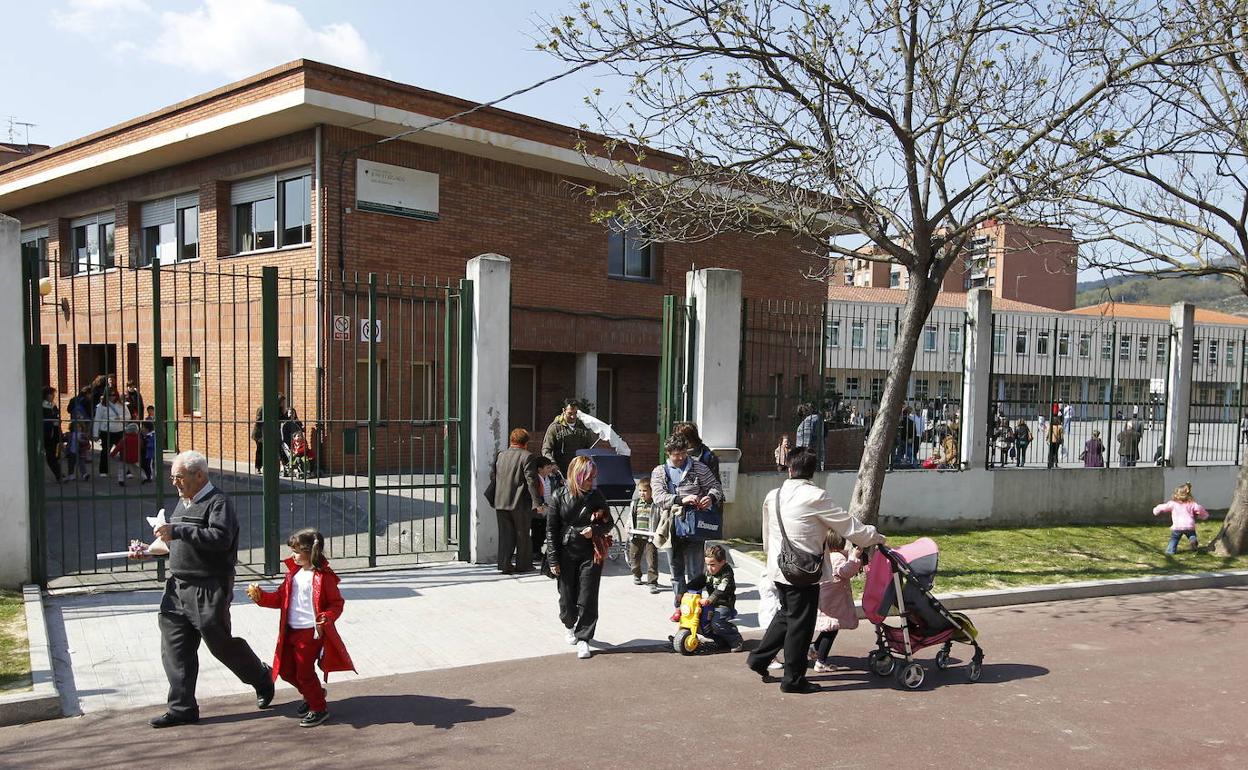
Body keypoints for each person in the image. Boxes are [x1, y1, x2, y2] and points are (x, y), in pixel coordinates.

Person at [141, 450, 274, 728]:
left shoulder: (218, 503)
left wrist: (178, 531)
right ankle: (181, 708)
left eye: (179, 477)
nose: (174, 483)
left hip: (208, 586)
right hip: (177, 587)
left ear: (199, 475)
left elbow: (220, 539)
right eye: (173, 477)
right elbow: (177, 543)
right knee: (175, 648)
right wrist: (149, 550)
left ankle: (261, 677)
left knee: (220, 645)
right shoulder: (183, 503)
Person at [747, 448, 885, 694]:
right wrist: (875, 537)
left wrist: (771, 561)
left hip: (779, 567)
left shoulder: (773, 495)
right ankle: (793, 679)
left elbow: (767, 535)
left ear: (789, 468)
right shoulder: (816, 496)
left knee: (786, 614)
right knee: (800, 625)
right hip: (804, 571)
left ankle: (759, 658)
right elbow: (849, 527)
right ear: (813, 471)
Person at [246, 528, 355, 728]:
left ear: (309, 551)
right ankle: (312, 693)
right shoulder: (293, 574)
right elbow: (280, 598)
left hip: (310, 632)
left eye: (296, 551)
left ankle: (319, 707)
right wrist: (261, 597)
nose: (292, 556)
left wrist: (327, 617)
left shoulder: (324, 576)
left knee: (304, 673)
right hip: (290, 630)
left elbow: (336, 603)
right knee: (286, 670)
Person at [545, 456, 614, 659]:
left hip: (590, 551)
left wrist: (594, 529)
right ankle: (569, 624)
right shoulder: (559, 496)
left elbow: (608, 523)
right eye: (587, 477)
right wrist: (553, 559)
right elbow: (551, 530)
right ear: (577, 476)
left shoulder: (596, 496)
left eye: (593, 477)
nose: (591, 481)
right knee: (567, 599)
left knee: (588, 597)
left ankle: (584, 638)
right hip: (566, 551)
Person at [650, 434, 724, 616]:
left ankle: (695, 608)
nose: (681, 458)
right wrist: (682, 499)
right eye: (676, 454)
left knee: (695, 570)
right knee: (676, 570)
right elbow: (658, 497)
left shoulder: (699, 467)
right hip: (671, 526)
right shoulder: (659, 471)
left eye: (683, 453)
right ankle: (679, 608)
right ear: (668, 453)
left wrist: (710, 498)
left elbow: (716, 487)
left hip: (694, 525)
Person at [490, 428, 543, 574]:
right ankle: (524, 565)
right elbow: (531, 481)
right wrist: (537, 503)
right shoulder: (527, 456)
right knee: (522, 534)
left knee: (505, 535)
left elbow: (493, 476)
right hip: (519, 502)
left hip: (500, 500)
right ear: (526, 442)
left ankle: (504, 564)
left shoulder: (501, 455)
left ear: (511, 440)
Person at [810, 534, 863, 673]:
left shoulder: (825, 555)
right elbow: (845, 572)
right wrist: (854, 558)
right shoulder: (837, 557)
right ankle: (820, 662)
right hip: (834, 599)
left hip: (826, 597)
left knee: (829, 626)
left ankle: (815, 647)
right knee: (832, 628)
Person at [683, 544, 743, 652]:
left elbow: (721, 590)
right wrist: (685, 590)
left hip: (724, 605)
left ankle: (736, 640)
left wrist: (709, 599)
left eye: (712, 565)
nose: (709, 568)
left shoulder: (727, 573)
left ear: (723, 562)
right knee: (699, 620)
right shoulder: (709, 571)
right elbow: (701, 580)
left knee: (716, 623)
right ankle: (719, 639)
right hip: (711, 604)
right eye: (707, 565)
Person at [541, 399, 597, 475]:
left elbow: (591, 449)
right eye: (570, 413)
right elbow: (546, 450)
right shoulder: (555, 428)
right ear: (564, 410)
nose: (573, 416)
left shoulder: (584, 428)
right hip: (559, 472)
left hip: (579, 472)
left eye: (575, 413)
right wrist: (552, 464)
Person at [1153, 482, 1210, 555]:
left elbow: (1163, 507)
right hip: (1189, 526)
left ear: (1176, 495)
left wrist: (1156, 510)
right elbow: (1199, 509)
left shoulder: (1173, 504)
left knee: (1174, 539)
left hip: (1178, 526)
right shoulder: (1192, 504)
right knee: (1192, 535)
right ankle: (1193, 541)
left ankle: (1170, 551)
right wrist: (1205, 516)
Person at [627, 478, 660, 592]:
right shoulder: (635, 503)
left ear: (651, 491)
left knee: (652, 560)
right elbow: (630, 518)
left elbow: (660, 519)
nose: (642, 493)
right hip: (636, 536)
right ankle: (637, 574)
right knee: (634, 558)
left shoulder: (655, 505)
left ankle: (652, 582)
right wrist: (629, 528)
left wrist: (658, 532)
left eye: (645, 491)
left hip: (650, 537)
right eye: (640, 490)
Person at [93, 387, 129, 478]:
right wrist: (95, 434)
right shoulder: (101, 406)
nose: (112, 397)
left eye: (114, 395)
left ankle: (128, 470)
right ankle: (103, 471)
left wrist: (120, 418)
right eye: (110, 395)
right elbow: (97, 419)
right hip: (106, 431)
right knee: (105, 451)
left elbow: (128, 416)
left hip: (119, 430)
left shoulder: (121, 405)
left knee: (124, 450)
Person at [532, 455, 561, 564]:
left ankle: (539, 550)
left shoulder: (551, 479)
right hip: (538, 510)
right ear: (540, 469)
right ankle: (535, 551)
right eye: (547, 467)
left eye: (550, 467)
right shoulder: (535, 479)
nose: (550, 469)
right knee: (536, 531)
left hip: (548, 508)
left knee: (545, 530)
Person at [252, 395, 289, 474]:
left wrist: (286, 415)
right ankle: (258, 467)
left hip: (272, 434)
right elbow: (258, 421)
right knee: (260, 450)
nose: (283, 403)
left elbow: (282, 419)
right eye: (282, 402)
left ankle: (279, 467)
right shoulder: (262, 408)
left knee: (277, 449)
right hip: (260, 434)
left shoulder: (278, 409)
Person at [40, 386, 64, 482]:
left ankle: (59, 474)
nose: (53, 396)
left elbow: (57, 418)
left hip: (54, 434)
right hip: (45, 434)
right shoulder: (42, 406)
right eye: (51, 394)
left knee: (53, 456)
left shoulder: (53, 406)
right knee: (49, 456)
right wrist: (51, 422)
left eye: (53, 394)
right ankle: (58, 475)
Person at [110, 422, 143, 486]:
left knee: (121, 469)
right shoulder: (138, 439)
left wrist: (112, 454)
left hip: (124, 457)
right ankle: (143, 478)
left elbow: (118, 447)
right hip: (135, 457)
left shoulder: (124, 439)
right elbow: (141, 447)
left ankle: (121, 480)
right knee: (137, 469)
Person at [794, 404, 824, 469]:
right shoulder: (816, 419)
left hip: (807, 459)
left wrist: (802, 459)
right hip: (815, 455)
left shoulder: (809, 421)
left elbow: (806, 441)